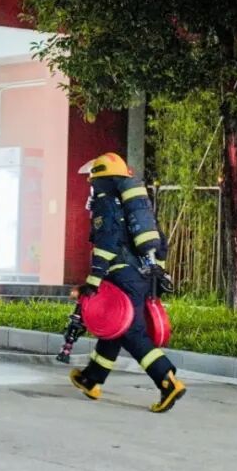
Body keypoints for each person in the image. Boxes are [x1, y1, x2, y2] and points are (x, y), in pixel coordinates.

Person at [69, 152, 186, 413]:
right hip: (141, 274)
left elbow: (107, 242)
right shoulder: (134, 203)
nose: (91, 186)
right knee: (116, 326)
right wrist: (157, 272)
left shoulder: (105, 201)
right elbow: (160, 242)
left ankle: (167, 380)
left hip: (120, 275)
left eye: (92, 180)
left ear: (101, 179)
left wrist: (93, 280)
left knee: (132, 332)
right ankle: (91, 379)